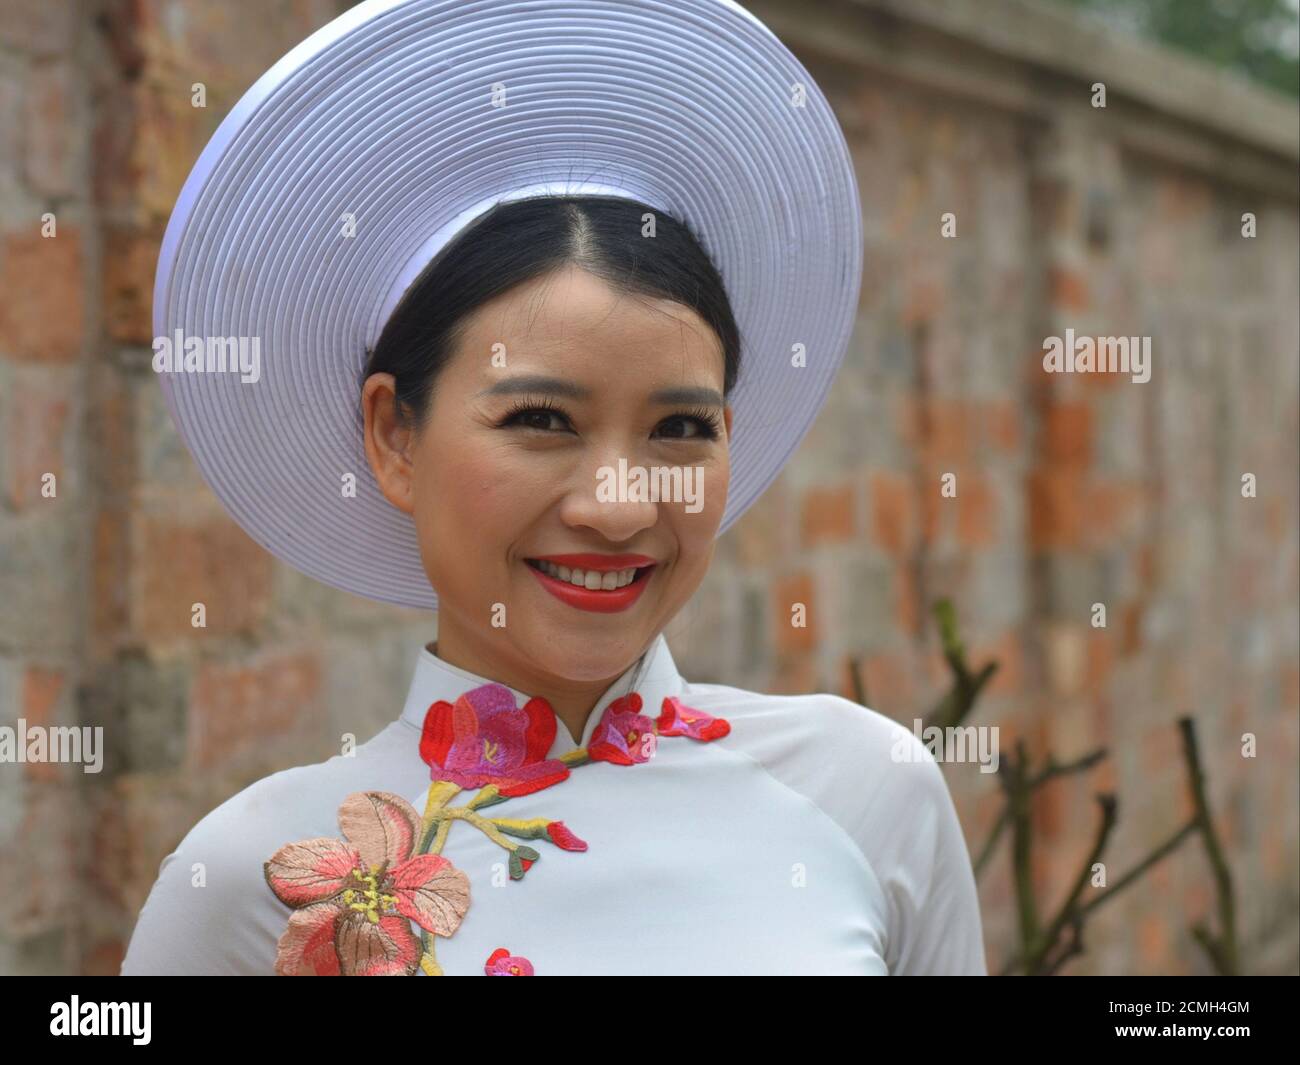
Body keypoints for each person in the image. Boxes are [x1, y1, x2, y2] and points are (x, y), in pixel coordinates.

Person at [120, 0, 985, 976]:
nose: (617, 506)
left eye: (680, 428)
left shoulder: (869, 796)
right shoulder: (258, 883)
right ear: (393, 434)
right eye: (540, 421)